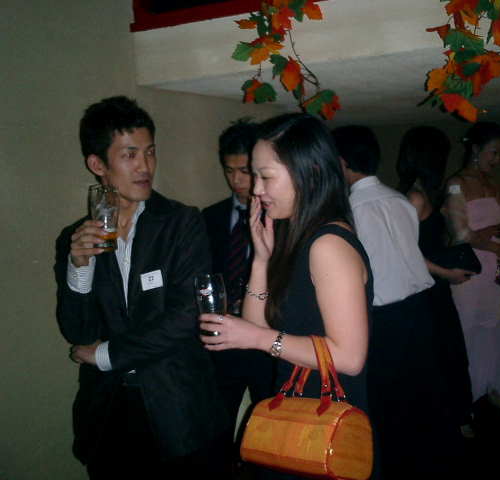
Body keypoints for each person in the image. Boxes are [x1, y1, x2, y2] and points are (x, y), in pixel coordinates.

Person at [54, 96, 230, 479]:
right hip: (110, 413)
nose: (145, 166)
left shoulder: (181, 223)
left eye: (149, 152)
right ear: (98, 165)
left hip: (178, 408)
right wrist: (79, 268)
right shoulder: (76, 238)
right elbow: (78, 332)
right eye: (129, 155)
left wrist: (107, 354)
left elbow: (187, 316)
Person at [199, 113, 373, 480]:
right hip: (297, 409)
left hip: (325, 418)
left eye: (265, 176)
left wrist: (257, 338)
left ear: (309, 173)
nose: (256, 190)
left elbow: (350, 357)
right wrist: (261, 260)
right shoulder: (296, 236)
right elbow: (256, 325)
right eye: (255, 176)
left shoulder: (327, 244)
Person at [333, 125, 454, 477]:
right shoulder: (400, 200)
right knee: (421, 399)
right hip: (420, 310)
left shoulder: (347, 211)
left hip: (383, 318)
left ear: (341, 162)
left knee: (386, 405)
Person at [201, 120, 275, 475]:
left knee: (269, 427)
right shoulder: (210, 217)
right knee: (217, 424)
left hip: (266, 339)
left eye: (244, 171)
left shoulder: (280, 217)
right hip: (223, 338)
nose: (237, 180)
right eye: (229, 171)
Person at [396, 125, 474, 437]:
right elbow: (406, 253)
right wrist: (447, 273)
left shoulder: (423, 193)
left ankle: (454, 419)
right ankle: (448, 422)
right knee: (442, 355)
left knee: (448, 354)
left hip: (433, 287)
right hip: (425, 289)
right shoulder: (415, 197)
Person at [443, 121, 500, 421]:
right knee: (468, 331)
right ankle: (465, 402)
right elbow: (460, 233)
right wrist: (493, 243)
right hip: (469, 269)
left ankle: (497, 391)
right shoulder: (456, 183)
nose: (497, 160)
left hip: (495, 270)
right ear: (475, 149)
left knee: (497, 329)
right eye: (493, 152)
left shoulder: (495, 185)